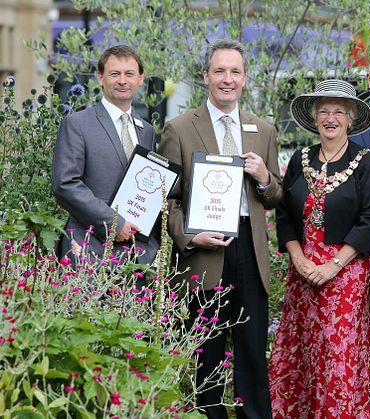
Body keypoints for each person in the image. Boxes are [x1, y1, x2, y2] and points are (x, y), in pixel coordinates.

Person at [158, 39, 282, 419]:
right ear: (205, 77)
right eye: (220, 71)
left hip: (250, 248)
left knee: (251, 353)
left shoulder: (263, 130)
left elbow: (276, 194)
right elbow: (167, 200)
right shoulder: (179, 128)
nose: (227, 79)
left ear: (245, 78)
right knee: (207, 353)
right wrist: (188, 236)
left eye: (235, 72)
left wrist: (264, 177)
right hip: (205, 249)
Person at [268, 79, 370, 418]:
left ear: (349, 119)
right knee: (300, 349)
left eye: (338, 112)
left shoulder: (366, 162)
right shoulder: (300, 159)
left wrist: (334, 265)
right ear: (315, 118)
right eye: (324, 112)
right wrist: (298, 257)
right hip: (302, 270)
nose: (330, 118)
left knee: (336, 354)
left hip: (346, 273)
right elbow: (285, 213)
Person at [52, 45, 159, 265]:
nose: (122, 80)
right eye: (114, 74)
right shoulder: (77, 123)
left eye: (129, 74)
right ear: (100, 78)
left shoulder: (146, 131)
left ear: (140, 79)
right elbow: (65, 184)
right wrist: (114, 223)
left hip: (136, 254)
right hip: (88, 249)